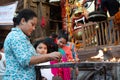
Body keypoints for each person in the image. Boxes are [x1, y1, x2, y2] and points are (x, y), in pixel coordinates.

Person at [3, 9, 61, 80]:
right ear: (23, 21)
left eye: (35, 26)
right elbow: (26, 60)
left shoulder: (22, 37)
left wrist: (51, 56)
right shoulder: (16, 36)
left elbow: (33, 57)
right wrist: (49, 56)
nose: (34, 28)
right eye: (32, 24)